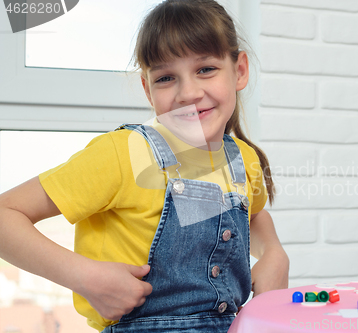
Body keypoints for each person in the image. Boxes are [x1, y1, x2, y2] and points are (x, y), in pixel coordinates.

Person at [0, 0, 289, 332]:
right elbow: (5, 215)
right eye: (166, 77)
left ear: (239, 71)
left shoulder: (243, 159)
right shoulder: (122, 154)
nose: (188, 93)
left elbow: (253, 213)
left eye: (205, 69)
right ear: (147, 89)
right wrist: (85, 277)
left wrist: (274, 252)